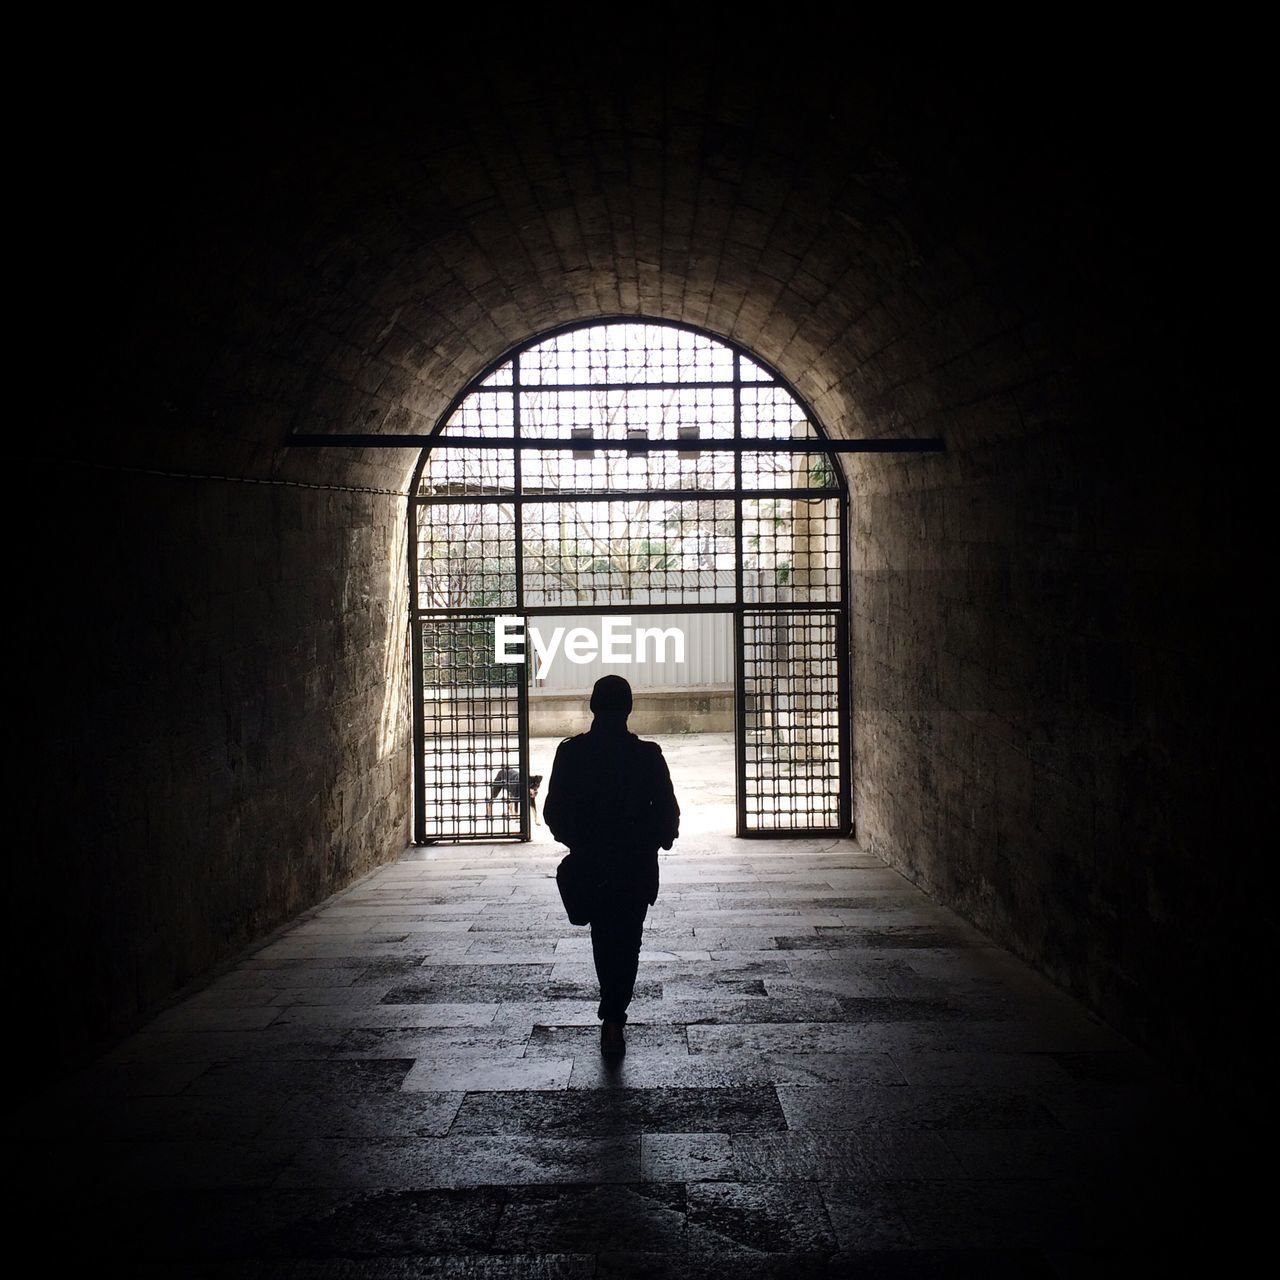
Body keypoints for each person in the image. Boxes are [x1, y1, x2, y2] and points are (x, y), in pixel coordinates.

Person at [543, 675, 680, 1057]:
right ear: (629, 708)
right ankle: (615, 1015)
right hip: (635, 866)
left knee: (603, 938)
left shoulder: (571, 753)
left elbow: (555, 812)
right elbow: (668, 813)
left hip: (592, 863)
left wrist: (582, 842)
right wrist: (654, 839)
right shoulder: (647, 756)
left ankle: (612, 1015)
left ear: (593, 707)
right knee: (628, 941)